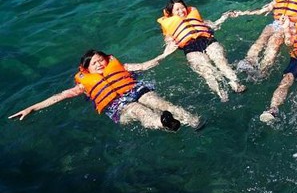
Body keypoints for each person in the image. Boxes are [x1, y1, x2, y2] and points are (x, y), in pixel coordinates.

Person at [8, 49, 201, 131]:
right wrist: (32, 108)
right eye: (95, 63)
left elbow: (145, 65)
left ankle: (194, 121)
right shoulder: (83, 85)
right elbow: (57, 97)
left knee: (160, 103)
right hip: (119, 107)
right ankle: (164, 123)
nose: (100, 64)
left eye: (101, 60)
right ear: (86, 69)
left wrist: (165, 53)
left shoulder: (121, 67)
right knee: (138, 111)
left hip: (135, 91)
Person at [157, 0, 245, 102]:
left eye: (182, 8)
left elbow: (213, 25)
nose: (181, 11)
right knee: (207, 72)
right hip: (190, 47)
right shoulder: (169, 28)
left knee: (221, 62)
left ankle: (236, 84)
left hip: (207, 40)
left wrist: (224, 17)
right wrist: (165, 53)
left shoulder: (195, 17)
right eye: (177, 10)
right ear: (171, 13)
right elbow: (169, 42)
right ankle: (221, 93)